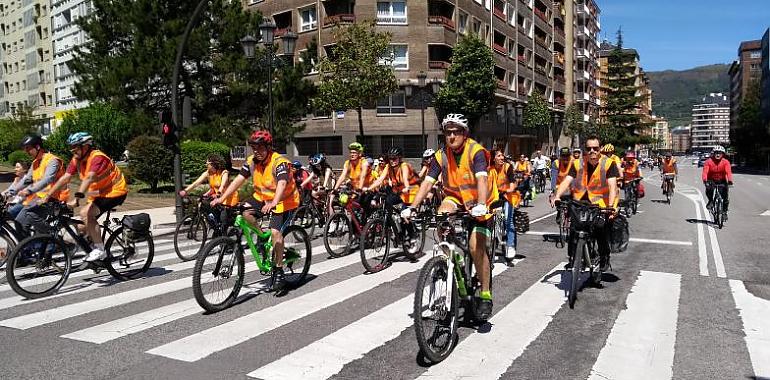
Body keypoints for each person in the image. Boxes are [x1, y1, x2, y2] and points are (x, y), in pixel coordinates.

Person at [402, 113, 497, 321]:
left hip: (481, 203)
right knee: (441, 214)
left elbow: (482, 179)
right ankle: (445, 262)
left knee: (475, 247)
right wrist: (412, 207)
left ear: (465, 134)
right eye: (448, 132)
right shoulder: (441, 155)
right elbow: (427, 182)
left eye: (456, 132)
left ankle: (485, 294)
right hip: (455, 199)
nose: (452, 136)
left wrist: (481, 205)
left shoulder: (476, 151)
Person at [212, 130, 300, 291]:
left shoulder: (279, 162)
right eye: (254, 148)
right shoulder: (252, 161)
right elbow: (238, 180)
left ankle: (279, 270)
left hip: (284, 200)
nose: (256, 151)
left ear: (268, 147)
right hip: (261, 197)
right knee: (244, 214)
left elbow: (281, 183)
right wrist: (221, 197)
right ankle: (261, 237)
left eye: (260, 148)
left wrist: (274, 202)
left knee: (275, 233)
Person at [45, 132, 127, 261]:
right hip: (98, 194)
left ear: (85, 146)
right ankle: (97, 250)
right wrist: (48, 196)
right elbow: (65, 178)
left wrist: (76, 199)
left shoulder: (98, 157)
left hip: (115, 192)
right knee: (82, 225)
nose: (72, 150)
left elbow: (89, 178)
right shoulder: (76, 160)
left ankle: (100, 250)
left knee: (87, 214)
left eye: (75, 146)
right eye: (71, 147)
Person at [550, 136, 619, 272]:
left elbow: (612, 186)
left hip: (602, 202)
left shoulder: (608, 163)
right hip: (581, 201)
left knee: (600, 228)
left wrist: (611, 207)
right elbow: (567, 180)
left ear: (600, 149)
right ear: (584, 150)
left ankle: (604, 255)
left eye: (595, 148)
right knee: (574, 228)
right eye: (589, 149)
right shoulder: (577, 163)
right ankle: (573, 258)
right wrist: (556, 196)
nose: (592, 151)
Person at [178, 154, 239, 225]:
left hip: (228, 198)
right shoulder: (208, 173)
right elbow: (196, 183)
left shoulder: (224, 173)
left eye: (208, 163)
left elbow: (222, 186)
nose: (206, 164)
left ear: (213, 164)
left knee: (223, 220)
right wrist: (186, 191)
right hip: (217, 198)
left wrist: (218, 194)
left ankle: (224, 233)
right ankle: (214, 226)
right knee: (206, 206)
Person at [489, 149, 520, 265]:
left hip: (508, 196)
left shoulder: (507, 167)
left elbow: (512, 184)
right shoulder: (490, 169)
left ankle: (510, 245)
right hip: (495, 198)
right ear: (493, 158)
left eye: (502, 156)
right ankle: (492, 244)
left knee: (508, 220)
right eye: (499, 156)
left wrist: (507, 190)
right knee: (490, 220)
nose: (502, 158)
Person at [702, 145, 733, 212]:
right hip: (711, 180)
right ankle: (710, 201)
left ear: (723, 154)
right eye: (716, 153)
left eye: (720, 153)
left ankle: (724, 211)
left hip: (722, 180)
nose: (718, 154)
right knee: (709, 189)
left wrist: (730, 180)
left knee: (725, 196)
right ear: (713, 153)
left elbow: (728, 172)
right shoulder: (708, 161)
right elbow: (705, 172)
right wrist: (705, 180)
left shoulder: (726, 162)